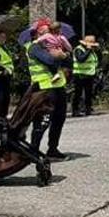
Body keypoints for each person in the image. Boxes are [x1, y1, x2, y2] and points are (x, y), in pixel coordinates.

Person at [27, 24, 70, 160]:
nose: (50, 35)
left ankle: (53, 148)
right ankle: (33, 150)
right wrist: (60, 55)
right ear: (37, 35)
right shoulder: (34, 47)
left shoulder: (50, 46)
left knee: (59, 118)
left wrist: (62, 55)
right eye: (45, 32)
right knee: (43, 120)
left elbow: (68, 59)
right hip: (44, 88)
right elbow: (49, 60)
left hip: (58, 86)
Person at [72, 35, 100, 117]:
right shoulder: (78, 49)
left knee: (89, 93)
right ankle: (75, 110)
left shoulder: (92, 51)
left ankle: (88, 109)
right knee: (78, 93)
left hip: (89, 74)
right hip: (80, 74)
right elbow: (81, 59)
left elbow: (96, 60)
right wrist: (88, 50)